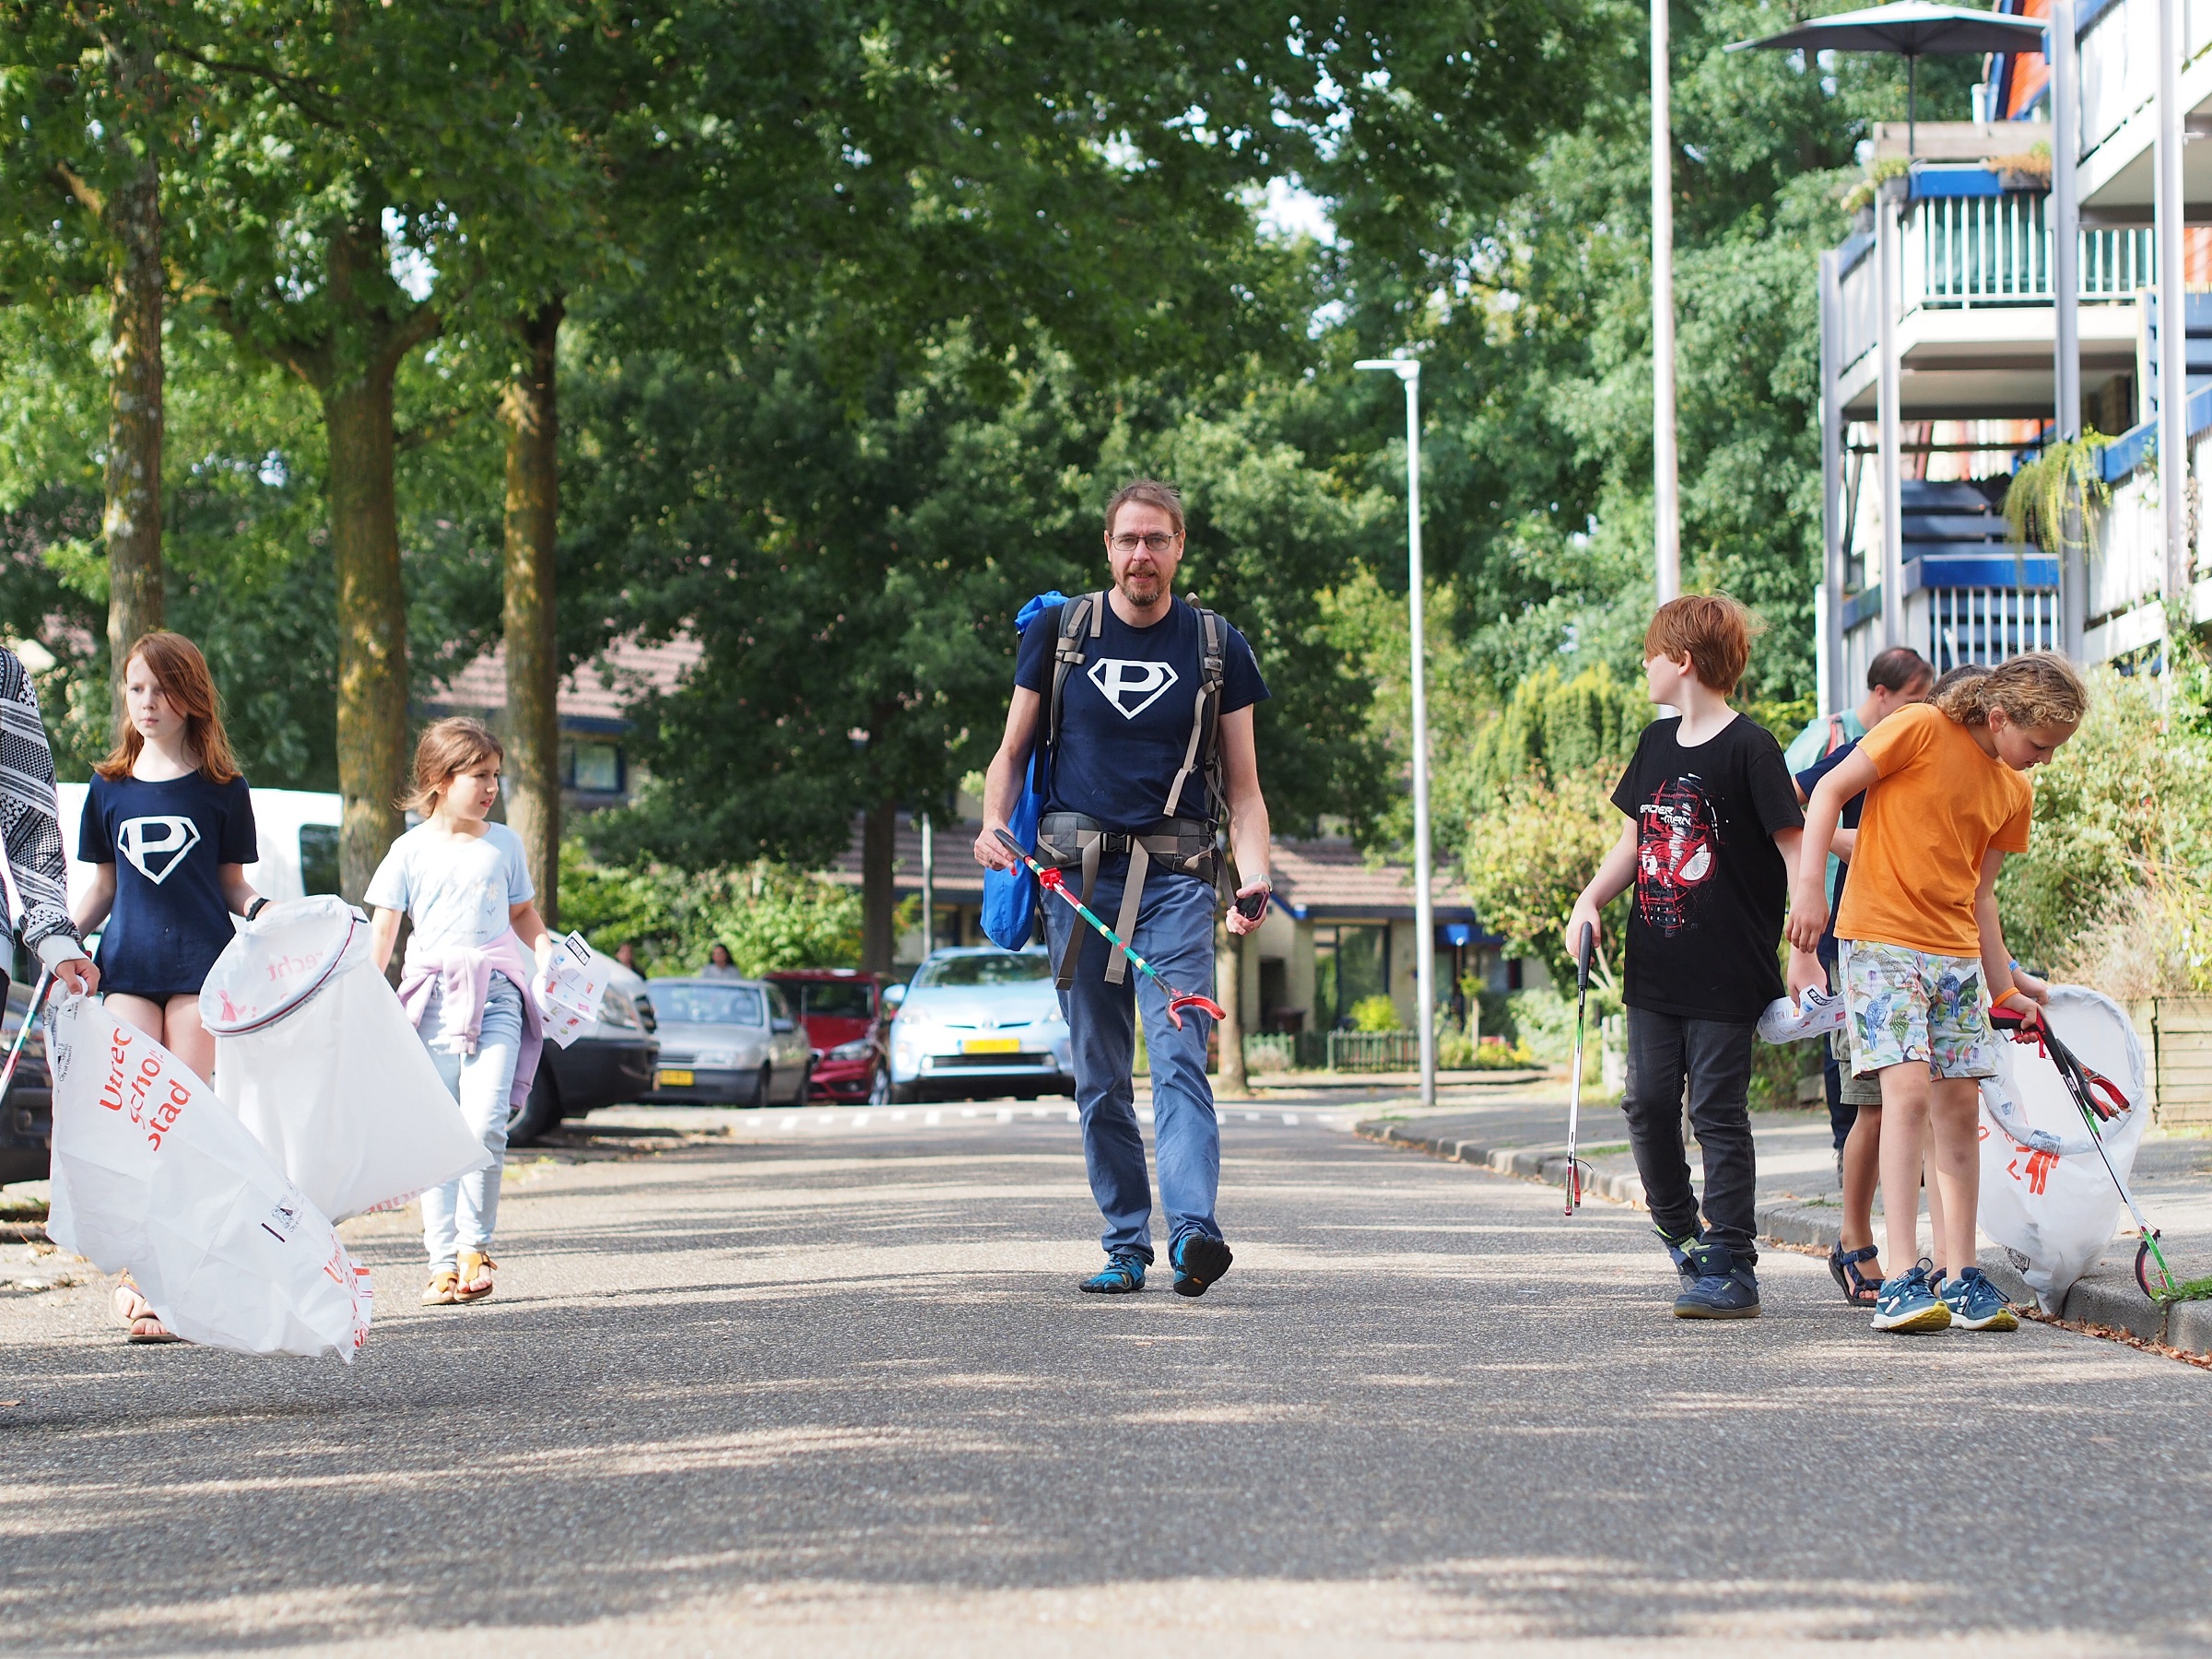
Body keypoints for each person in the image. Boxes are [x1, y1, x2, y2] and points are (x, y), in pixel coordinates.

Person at [974, 478, 1271, 1297]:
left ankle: (1194, 1235)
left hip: (1177, 881)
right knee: (1100, 1074)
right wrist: (994, 822)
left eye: (1158, 540)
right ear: (1108, 548)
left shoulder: (1217, 647)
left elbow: (1244, 791)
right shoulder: (1059, 633)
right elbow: (1010, 753)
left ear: (1180, 548)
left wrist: (1256, 877)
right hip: (1074, 884)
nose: (1143, 554)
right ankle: (1124, 1244)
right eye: (1128, 540)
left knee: (1180, 1054)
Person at [1791, 651, 2088, 1335]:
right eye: (2040, 745)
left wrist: (2004, 986)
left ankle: (1960, 1274)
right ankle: (1900, 1275)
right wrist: (1808, 889)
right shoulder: (1920, 727)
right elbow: (1830, 791)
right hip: (1880, 940)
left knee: (1960, 1106)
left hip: (1953, 953)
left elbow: (1981, 897)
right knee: (1907, 1093)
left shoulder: (2013, 792)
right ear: (1998, 715)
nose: (2044, 760)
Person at [1564, 594, 1822, 1320]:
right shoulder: (1654, 745)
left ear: (1681, 661)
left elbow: (1797, 846)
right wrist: (1588, 903)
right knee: (1645, 1106)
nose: (1642, 664)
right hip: (1655, 968)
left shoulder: (1753, 748)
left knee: (1716, 1112)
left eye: (1650, 653)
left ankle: (1732, 1259)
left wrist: (1805, 938)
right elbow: (1632, 843)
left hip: (1728, 971)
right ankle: (1679, 1225)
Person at [69, 634, 263, 1346]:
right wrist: (58, 942)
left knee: (185, 1128)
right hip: (125, 969)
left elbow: (233, 886)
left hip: (201, 972)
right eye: (136, 689)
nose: (147, 703)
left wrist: (268, 914)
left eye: (161, 689)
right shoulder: (108, 788)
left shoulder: (223, 792)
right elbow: (104, 890)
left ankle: (174, 1280)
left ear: (190, 697)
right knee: (137, 1123)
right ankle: (140, 1272)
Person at [367, 719, 552, 1308]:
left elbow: (523, 913)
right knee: (438, 1135)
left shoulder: (506, 844)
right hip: (429, 1004)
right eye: (479, 775)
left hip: (496, 994)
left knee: (485, 1123)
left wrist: (547, 952)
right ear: (439, 780)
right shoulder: (407, 851)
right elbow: (384, 934)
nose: (491, 786)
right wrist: (369, 1005)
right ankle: (441, 1264)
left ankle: (476, 1247)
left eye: (496, 775)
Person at [1783, 645, 1934, 1171]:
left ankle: (1890, 1164)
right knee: (1843, 1039)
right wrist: (1833, 845)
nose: (1923, 709)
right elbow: (1784, 798)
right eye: (1914, 698)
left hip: (1909, 925)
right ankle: (1847, 1154)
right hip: (1837, 913)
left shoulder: (1923, 746)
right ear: (1881, 694)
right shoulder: (1849, 741)